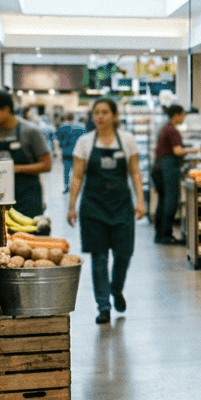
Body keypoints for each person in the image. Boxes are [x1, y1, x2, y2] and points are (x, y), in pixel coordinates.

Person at [67, 98, 146, 324]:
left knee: (124, 254)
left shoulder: (127, 140)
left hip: (122, 206)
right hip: (93, 207)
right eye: (96, 112)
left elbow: (135, 173)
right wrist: (72, 205)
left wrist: (140, 201)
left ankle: (116, 288)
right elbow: (77, 176)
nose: (100, 116)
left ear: (114, 115)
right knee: (99, 258)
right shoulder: (84, 142)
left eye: (104, 112)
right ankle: (103, 306)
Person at [0, 89, 52, 219]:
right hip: (0, 198)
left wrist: (13, 169)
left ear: (6, 109)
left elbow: (47, 165)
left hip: (28, 196)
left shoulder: (31, 132)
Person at [152, 104, 190, 244]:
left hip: (159, 169)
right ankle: (166, 235)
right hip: (168, 169)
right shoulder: (172, 130)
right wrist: (196, 150)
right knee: (170, 201)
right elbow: (177, 151)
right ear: (176, 115)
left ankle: (160, 234)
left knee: (163, 201)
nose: (184, 118)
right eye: (183, 115)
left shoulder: (165, 128)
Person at [55, 114, 86, 193]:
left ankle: (66, 187)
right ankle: (79, 186)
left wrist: (62, 146)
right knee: (78, 170)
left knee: (66, 170)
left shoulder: (62, 126)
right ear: (74, 117)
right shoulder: (82, 126)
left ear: (66, 118)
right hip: (78, 153)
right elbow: (85, 139)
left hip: (66, 152)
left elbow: (59, 139)